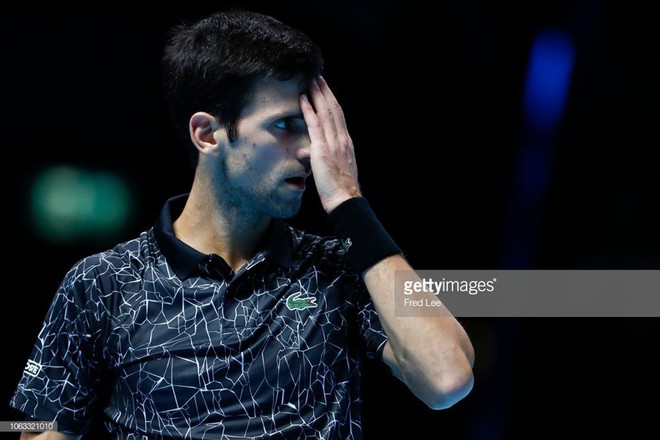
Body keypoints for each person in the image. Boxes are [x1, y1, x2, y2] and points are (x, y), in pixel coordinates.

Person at [10, 8, 475, 440]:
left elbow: (447, 378)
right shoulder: (101, 282)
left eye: (313, 127)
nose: (312, 150)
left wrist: (350, 204)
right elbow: (26, 426)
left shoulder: (342, 273)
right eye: (284, 125)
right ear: (208, 134)